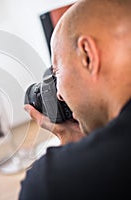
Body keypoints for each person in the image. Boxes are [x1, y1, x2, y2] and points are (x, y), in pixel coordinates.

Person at [19, 0, 131, 199]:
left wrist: (72, 150)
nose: (59, 94)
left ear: (88, 55)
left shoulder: (52, 182)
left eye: (56, 71)